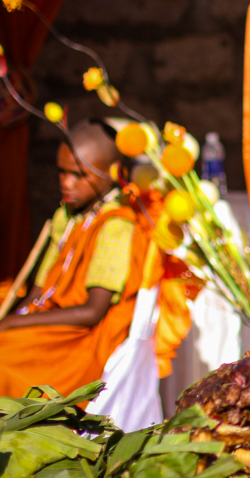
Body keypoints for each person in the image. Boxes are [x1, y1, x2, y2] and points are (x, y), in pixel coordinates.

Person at [0, 121, 151, 398]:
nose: (66, 184)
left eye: (78, 175)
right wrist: (11, 319)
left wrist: (11, 326)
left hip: (77, 342)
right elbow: (38, 292)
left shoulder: (116, 225)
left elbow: (92, 312)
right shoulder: (67, 215)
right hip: (45, 324)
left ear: (113, 173)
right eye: (61, 173)